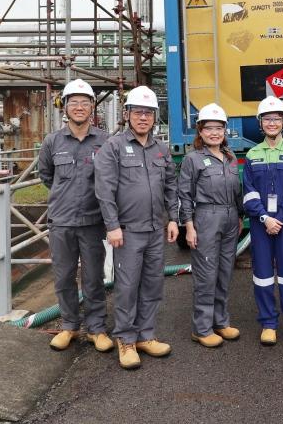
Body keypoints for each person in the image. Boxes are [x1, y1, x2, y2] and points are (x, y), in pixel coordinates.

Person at [94, 85, 179, 369]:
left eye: (149, 113)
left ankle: (145, 335)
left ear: (155, 117)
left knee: (153, 284)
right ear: (127, 114)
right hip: (127, 231)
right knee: (128, 287)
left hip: (155, 229)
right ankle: (126, 339)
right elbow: (104, 190)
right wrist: (112, 226)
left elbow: (171, 185)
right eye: (138, 112)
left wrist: (173, 218)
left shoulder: (161, 149)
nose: (143, 117)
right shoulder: (114, 147)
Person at [37, 79, 112, 353]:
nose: (79, 107)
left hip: (93, 222)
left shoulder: (105, 141)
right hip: (62, 221)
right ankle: (69, 326)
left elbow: (111, 178)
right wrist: (65, 196)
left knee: (93, 278)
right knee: (64, 277)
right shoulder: (52, 142)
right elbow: (46, 175)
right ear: (65, 107)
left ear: (92, 107)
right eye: (74, 102)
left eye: (85, 102)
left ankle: (96, 328)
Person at [177, 103, 244, 348]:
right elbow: (184, 195)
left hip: (230, 216)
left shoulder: (230, 157)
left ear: (225, 130)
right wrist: (189, 226)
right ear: (200, 131)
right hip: (206, 217)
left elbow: (237, 190)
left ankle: (220, 322)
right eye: (209, 128)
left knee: (225, 272)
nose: (214, 133)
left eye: (219, 128)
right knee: (206, 275)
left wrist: (239, 216)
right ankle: (202, 328)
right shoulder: (192, 159)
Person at [242, 96, 283, 346]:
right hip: (261, 224)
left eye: (276, 118)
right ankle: (268, 323)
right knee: (263, 275)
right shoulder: (252, 154)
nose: (272, 123)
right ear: (260, 123)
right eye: (267, 119)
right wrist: (264, 218)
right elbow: (249, 193)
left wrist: (278, 218)